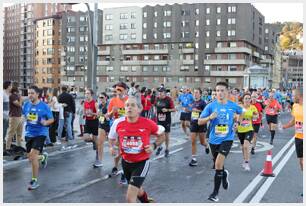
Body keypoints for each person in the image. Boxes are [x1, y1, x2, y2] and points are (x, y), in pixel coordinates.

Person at [108, 96, 165, 203]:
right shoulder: (118, 123)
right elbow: (111, 138)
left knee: (130, 198)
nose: (129, 108)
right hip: (126, 163)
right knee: (137, 190)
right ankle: (147, 202)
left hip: (141, 163)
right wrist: (112, 147)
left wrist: (153, 146)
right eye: (127, 105)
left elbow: (162, 136)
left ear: (139, 109)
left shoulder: (147, 123)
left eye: (133, 105)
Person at [198, 82, 242, 202]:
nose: (220, 93)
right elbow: (199, 122)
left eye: (222, 90)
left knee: (217, 165)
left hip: (227, 138)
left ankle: (215, 194)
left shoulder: (233, 105)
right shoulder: (211, 106)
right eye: (217, 91)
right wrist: (209, 118)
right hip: (213, 139)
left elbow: (241, 112)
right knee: (218, 165)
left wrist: (237, 122)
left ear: (227, 92)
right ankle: (224, 175)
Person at [22, 85, 54, 190]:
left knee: (32, 155)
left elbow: (51, 119)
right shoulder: (26, 105)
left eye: (32, 93)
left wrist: (45, 122)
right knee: (31, 158)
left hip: (41, 133)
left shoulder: (44, 106)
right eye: (28, 93)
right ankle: (43, 157)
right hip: (29, 133)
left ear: (37, 94)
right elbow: (24, 115)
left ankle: (34, 180)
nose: (29, 95)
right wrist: (23, 118)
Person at [107, 82, 129, 182]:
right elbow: (108, 116)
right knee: (118, 149)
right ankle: (115, 167)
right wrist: (112, 112)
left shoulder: (129, 100)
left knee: (124, 150)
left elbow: (137, 112)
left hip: (128, 128)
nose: (118, 92)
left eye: (120, 90)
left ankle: (125, 173)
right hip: (117, 128)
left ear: (125, 90)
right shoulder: (113, 101)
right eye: (117, 90)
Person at [282, 88, 303, 182]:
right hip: (298, 137)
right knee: (301, 162)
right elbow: (294, 121)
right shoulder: (295, 106)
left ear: (300, 96)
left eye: (294, 95)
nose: (292, 97)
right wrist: (285, 126)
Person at [237, 93, 258, 171]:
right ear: (243, 100)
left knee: (246, 146)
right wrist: (238, 118)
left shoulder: (253, 107)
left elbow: (257, 115)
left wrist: (254, 116)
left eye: (249, 98)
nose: (247, 100)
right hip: (240, 130)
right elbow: (235, 116)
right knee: (243, 147)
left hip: (249, 129)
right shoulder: (239, 107)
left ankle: (247, 162)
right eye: (246, 98)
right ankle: (245, 159)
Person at [189, 88, 209, 166]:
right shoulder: (192, 102)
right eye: (194, 92)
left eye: (197, 92)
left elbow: (207, 113)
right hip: (193, 123)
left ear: (200, 94)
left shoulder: (203, 103)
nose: (195, 94)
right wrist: (188, 110)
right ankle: (194, 159)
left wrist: (198, 111)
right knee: (193, 141)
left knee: (202, 142)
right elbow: (192, 111)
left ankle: (207, 145)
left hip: (201, 124)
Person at [155, 87, 175, 157]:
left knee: (166, 135)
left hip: (167, 120)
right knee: (159, 134)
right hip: (159, 119)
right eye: (159, 92)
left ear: (164, 93)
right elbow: (155, 106)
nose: (159, 93)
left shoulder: (169, 99)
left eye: (161, 92)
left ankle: (167, 149)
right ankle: (160, 146)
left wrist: (167, 110)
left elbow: (174, 109)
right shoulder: (157, 99)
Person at [83, 89, 100, 167]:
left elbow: (98, 114)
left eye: (88, 93)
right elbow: (84, 112)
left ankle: (97, 154)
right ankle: (93, 141)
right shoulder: (85, 102)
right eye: (86, 93)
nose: (86, 95)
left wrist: (92, 113)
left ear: (91, 94)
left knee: (95, 138)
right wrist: (84, 114)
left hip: (94, 122)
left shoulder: (95, 103)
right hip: (87, 121)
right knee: (86, 138)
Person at [6, 85, 24, 151]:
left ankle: (18, 146)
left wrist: (20, 98)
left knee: (19, 133)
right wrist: (21, 99)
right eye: (19, 87)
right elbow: (18, 104)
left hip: (19, 116)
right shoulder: (12, 96)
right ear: (16, 88)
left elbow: (21, 105)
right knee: (11, 132)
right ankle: (7, 148)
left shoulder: (17, 96)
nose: (20, 88)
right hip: (14, 117)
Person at [95, 92, 110, 168]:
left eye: (102, 97)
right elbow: (98, 116)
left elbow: (109, 116)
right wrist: (98, 115)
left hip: (110, 125)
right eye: (100, 97)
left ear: (106, 98)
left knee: (115, 144)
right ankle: (100, 161)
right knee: (100, 143)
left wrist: (102, 115)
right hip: (102, 124)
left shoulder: (109, 105)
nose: (101, 99)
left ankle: (121, 157)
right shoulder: (100, 105)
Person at [3, 81, 12, 145]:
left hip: (7, 115)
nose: (11, 87)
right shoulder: (3, 93)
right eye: (11, 86)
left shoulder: (8, 93)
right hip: (4, 115)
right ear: (8, 86)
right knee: (3, 129)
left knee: (5, 129)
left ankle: (3, 140)